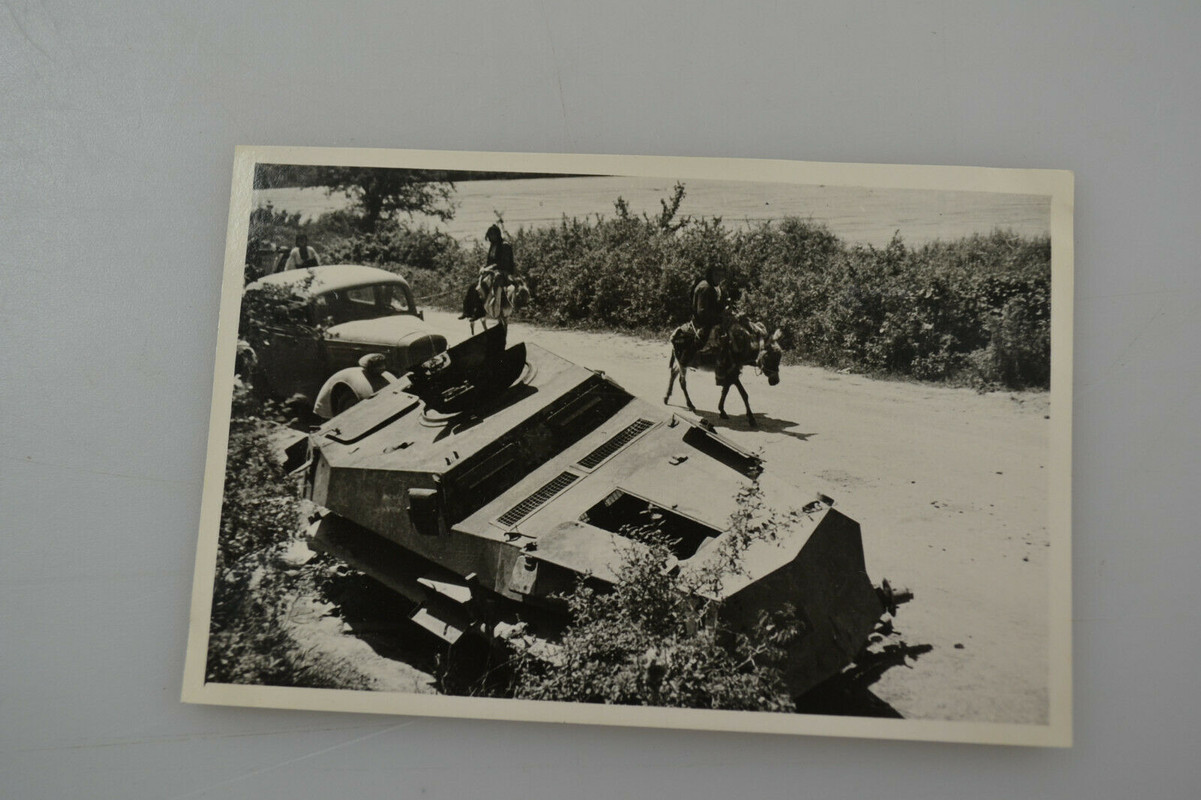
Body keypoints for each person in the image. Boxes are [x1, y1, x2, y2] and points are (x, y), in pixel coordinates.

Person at [312, 353, 396, 419]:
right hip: (327, 409)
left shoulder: (386, 377)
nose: (382, 368)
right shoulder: (357, 379)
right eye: (378, 366)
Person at [691, 265, 726, 349]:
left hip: (710, 320)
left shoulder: (713, 287)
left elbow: (716, 306)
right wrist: (719, 319)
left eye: (721, 275)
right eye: (716, 275)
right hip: (702, 324)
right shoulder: (705, 287)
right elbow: (702, 312)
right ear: (710, 274)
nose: (719, 278)